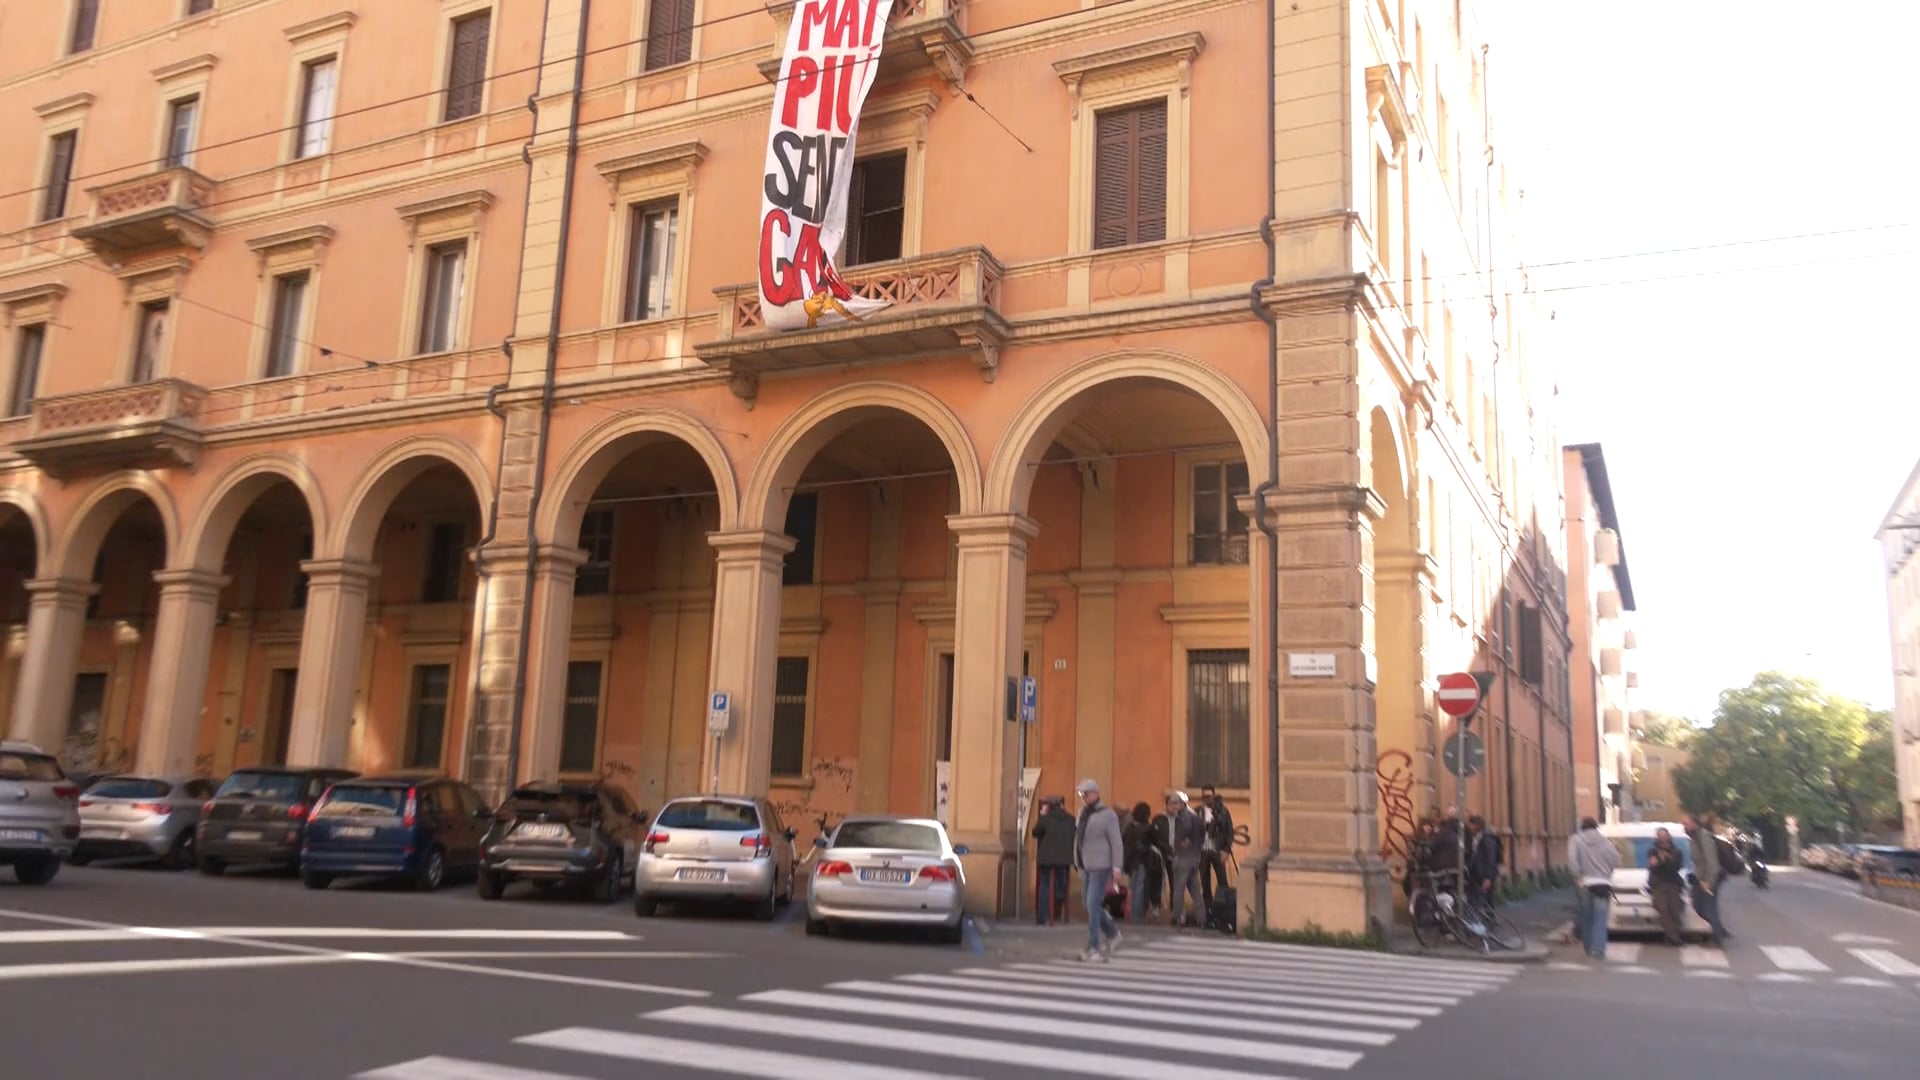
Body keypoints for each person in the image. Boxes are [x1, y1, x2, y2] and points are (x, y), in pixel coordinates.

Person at [1072, 778, 1125, 961]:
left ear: (1095, 793)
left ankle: (1093, 946)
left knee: (1093, 904)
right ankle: (1112, 933)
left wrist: (1117, 867)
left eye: (1085, 794)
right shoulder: (1082, 813)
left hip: (1101, 866)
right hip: (1086, 865)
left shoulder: (1108, 815)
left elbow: (1116, 842)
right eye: (1081, 795)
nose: (1083, 798)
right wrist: (1077, 861)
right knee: (1089, 905)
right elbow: (1078, 839)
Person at [1567, 816, 1619, 960]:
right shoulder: (1606, 842)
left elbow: (1572, 860)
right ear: (1596, 827)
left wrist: (1577, 876)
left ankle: (1588, 948)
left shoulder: (1575, 840)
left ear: (1582, 826)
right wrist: (1606, 872)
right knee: (1600, 919)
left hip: (1584, 883)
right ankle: (1598, 950)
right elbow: (1615, 859)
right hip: (1602, 883)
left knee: (1586, 917)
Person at [1161, 792, 1205, 928]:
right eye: (1171, 804)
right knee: (1195, 890)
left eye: (1175, 804)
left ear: (1181, 804)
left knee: (1178, 889)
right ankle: (1202, 918)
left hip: (1183, 858)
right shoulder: (1196, 817)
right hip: (1194, 858)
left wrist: (1179, 843)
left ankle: (1176, 918)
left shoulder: (1183, 817)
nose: (1173, 807)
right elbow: (1203, 833)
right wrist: (1196, 848)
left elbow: (1182, 832)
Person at [1030, 796, 1076, 926]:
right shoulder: (1071, 819)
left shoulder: (1046, 819)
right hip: (1065, 859)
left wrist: (1042, 816)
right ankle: (1057, 912)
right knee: (1061, 884)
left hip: (1047, 858)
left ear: (1048, 807)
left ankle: (1042, 917)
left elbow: (1035, 833)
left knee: (1045, 885)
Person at [1685, 814, 1730, 945]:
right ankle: (1719, 931)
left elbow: (1712, 862)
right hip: (1701, 878)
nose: (1684, 827)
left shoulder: (1703, 836)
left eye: (1686, 824)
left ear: (1694, 824)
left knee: (1709, 907)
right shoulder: (1694, 837)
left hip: (1710, 878)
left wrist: (1708, 882)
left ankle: (1717, 938)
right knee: (1698, 905)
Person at [1646, 827, 1687, 946]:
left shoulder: (1676, 851)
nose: (1662, 839)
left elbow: (1676, 868)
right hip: (1658, 884)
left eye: (1664, 836)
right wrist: (1659, 859)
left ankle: (1672, 937)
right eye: (1660, 836)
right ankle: (1674, 939)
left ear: (1668, 837)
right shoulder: (1653, 850)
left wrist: (1666, 860)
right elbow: (1653, 866)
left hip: (1673, 883)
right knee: (1664, 910)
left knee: (1675, 910)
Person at [1198, 785, 1234, 915]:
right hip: (1202, 852)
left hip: (1217, 850)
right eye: (1204, 796)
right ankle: (1208, 911)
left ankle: (1223, 910)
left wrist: (1226, 850)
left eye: (1209, 796)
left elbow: (1229, 833)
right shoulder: (1198, 811)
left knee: (1222, 881)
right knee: (1204, 882)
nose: (1207, 799)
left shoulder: (1222, 812)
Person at [1122, 802, 1158, 924]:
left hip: (1131, 862)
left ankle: (1133, 914)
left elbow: (1125, 845)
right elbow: (1155, 842)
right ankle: (1137, 916)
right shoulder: (1148, 828)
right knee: (1140, 889)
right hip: (1143, 861)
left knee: (1133, 888)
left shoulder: (1130, 827)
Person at [1465, 814, 1502, 908]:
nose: (1468, 827)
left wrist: (1488, 877)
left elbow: (1491, 859)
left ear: (1476, 825)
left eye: (1469, 825)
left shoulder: (1487, 839)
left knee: (1487, 902)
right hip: (1478, 876)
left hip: (1485, 876)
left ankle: (1489, 922)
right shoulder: (1477, 838)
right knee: (1480, 902)